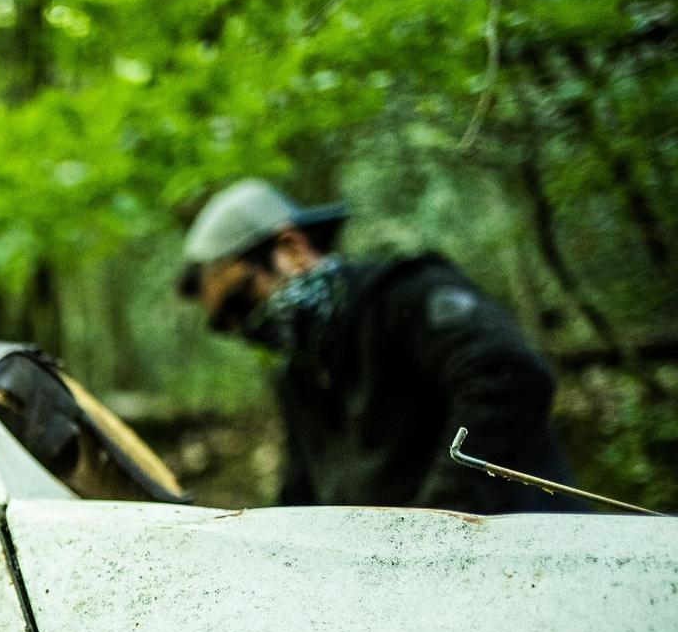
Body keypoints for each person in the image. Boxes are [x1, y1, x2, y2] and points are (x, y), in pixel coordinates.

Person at [177, 178, 578, 512]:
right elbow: (301, 494)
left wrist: (435, 525)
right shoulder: (299, 373)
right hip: (399, 588)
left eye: (239, 301)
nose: (242, 326)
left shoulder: (406, 296)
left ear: (292, 249)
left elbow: (508, 378)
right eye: (223, 324)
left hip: (524, 562)